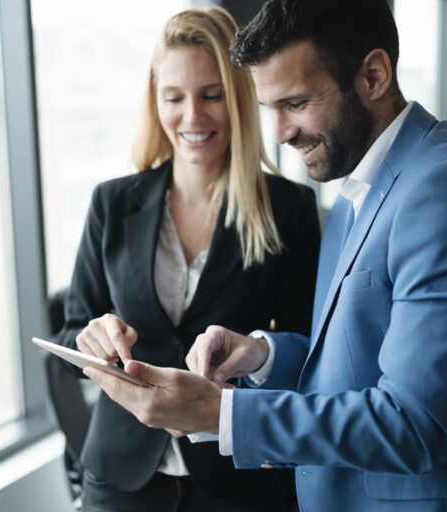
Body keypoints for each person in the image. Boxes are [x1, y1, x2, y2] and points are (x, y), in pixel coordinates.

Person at [81, 1, 447, 511]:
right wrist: (265, 356)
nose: (279, 133)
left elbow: (415, 423)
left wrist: (220, 414)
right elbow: (350, 365)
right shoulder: (353, 193)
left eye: (295, 103)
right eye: (270, 108)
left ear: (374, 76)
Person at [54, 6, 320, 511]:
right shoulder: (111, 204)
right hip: (121, 481)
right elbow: (71, 335)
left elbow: (306, 355)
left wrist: (254, 356)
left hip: (238, 482)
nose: (192, 116)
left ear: (238, 98)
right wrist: (92, 342)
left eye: (212, 95)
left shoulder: (289, 210)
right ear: (155, 102)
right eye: (174, 97)